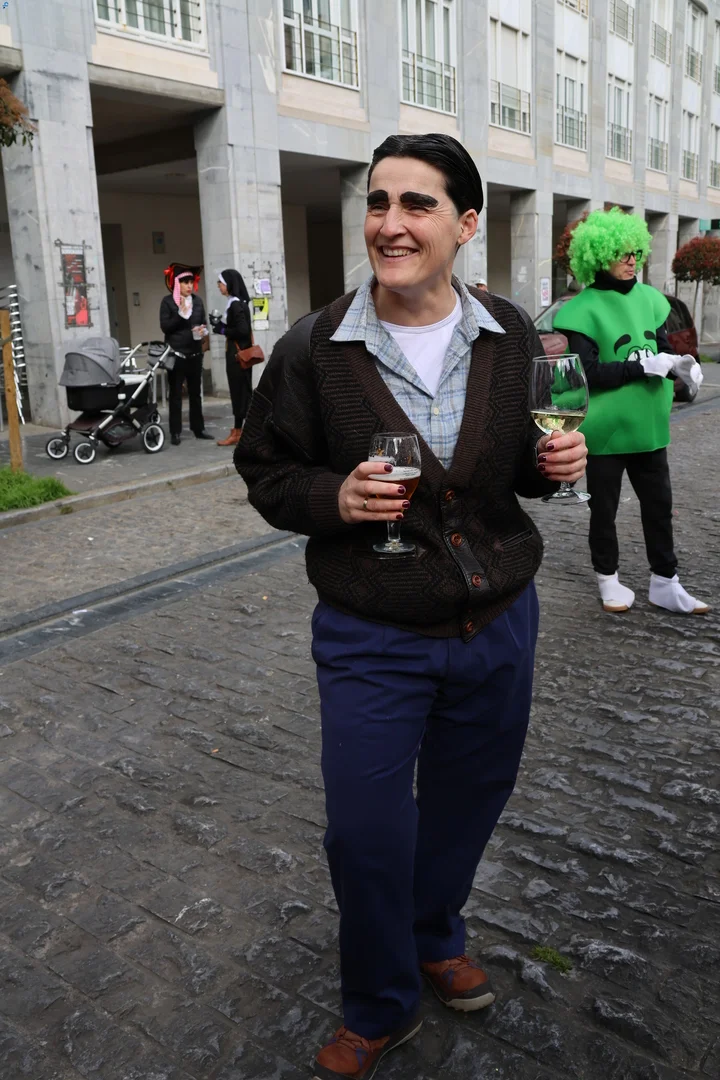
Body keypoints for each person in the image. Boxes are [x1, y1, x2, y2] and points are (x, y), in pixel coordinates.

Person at [236, 133, 586, 1079]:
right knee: (365, 831)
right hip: (372, 634)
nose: (390, 224)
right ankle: (379, 1002)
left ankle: (435, 933)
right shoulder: (316, 347)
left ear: (465, 224)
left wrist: (554, 464)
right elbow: (265, 470)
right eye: (379, 202)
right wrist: (334, 498)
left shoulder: (511, 334)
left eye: (417, 204)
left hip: (497, 625)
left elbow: (516, 474)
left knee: (468, 807)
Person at [553, 207, 708, 615]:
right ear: (599, 256)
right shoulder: (583, 308)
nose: (631, 260)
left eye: (635, 252)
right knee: (603, 511)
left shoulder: (651, 300)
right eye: (621, 253)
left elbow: (662, 350)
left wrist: (680, 366)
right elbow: (585, 373)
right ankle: (608, 579)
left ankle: (666, 582)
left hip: (650, 427)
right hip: (606, 432)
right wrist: (641, 367)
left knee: (659, 508)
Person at [159, 263, 213, 445]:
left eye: (191, 282)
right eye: (185, 283)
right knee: (175, 394)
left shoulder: (197, 301)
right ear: (177, 284)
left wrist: (202, 331)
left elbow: (202, 321)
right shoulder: (168, 302)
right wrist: (180, 316)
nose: (189, 286)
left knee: (195, 394)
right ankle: (175, 432)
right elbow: (165, 327)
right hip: (176, 354)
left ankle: (198, 428)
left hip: (195, 354)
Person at [211, 269, 253, 446]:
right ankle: (241, 430)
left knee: (239, 393)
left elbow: (242, 330)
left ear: (229, 284)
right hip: (239, 354)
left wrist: (222, 330)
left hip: (237, 356)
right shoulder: (237, 303)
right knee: (242, 393)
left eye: (221, 283)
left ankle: (240, 432)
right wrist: (219, 325)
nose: (219, 286)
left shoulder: (235, 304)